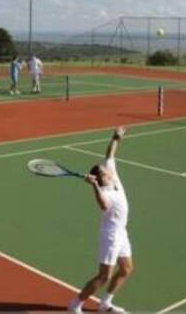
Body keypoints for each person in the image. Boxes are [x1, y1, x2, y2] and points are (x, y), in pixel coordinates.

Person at [69, 127, 132, 314]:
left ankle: (105, 304)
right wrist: (94, 186)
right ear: (102, 179)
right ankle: (75, 305)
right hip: (111, 235)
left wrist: (116, 137)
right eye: (106, 172)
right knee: (104, 276)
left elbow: (110, 154)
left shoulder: (113, 179)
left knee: (126, 269)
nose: (111, 171)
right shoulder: (103, 191)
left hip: (122, 232)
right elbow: (103, 206)